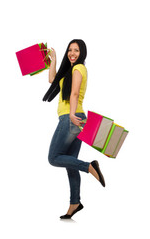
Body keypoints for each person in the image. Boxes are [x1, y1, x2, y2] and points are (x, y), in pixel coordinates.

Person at [42, 39, 105, 219]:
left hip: (71, 118)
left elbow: (75, 93)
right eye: (70, 50)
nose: (72, 53)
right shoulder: (70, 71)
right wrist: (53, 59)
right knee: (70, 164)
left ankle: (89, 167)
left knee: (53, 158)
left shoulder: (79, 69)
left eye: (76, 50)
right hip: (77, 119)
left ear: (82, 52)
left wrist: (70, 114)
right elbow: (52, 80)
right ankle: (74, 203)